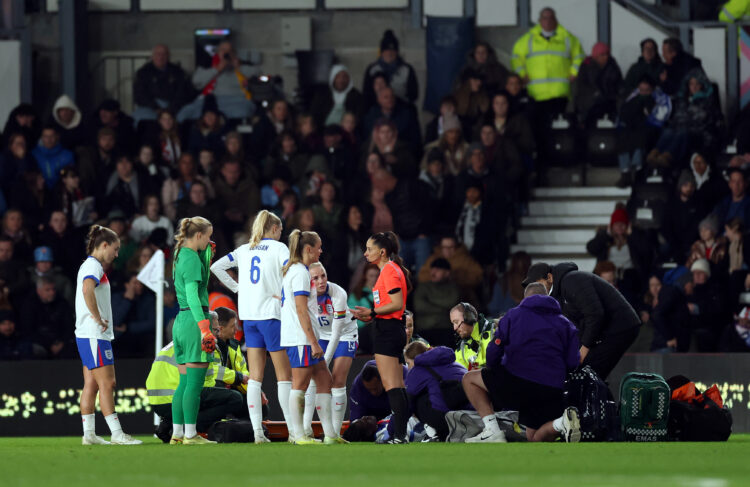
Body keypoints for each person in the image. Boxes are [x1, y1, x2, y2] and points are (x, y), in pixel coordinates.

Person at [210, 210, 294, 444]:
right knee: (284, 376)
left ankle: (257, 432)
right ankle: (294, 432)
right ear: (275, 229)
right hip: (272, 315)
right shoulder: (279, 248)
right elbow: (290, 273)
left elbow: (216, 267)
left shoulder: (244, 249)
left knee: (255, 377)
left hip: (249, 317)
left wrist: (238, 288)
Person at [461, 283, 582, 443]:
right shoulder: (566, 324)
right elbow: (573, 362)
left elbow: (493, 354)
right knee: (534, 438)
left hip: (517, 382)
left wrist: (494, 371)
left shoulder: (512, 316)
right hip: (551, 389)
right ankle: (561, 423)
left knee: (469, 379)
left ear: (525, 298)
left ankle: (492, 431)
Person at [74, 225, 141, 445]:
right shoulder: (94, 266)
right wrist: (97, 317)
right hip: (94, 335)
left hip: (87, 334)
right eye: (115, 248)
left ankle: (89, 435)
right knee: (108, 383)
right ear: (104, 245)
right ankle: (117, 433)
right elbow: (87, 289)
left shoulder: (89, 265)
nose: (117, 254)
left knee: (91, 384)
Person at [280, 229, 345, 445]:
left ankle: (330, 435)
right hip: (301, 338)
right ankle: (298, 434)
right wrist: (313, 341)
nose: (321, 250)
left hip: (304, 336)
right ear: (308, 249)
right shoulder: (299, 272)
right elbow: (300, 310)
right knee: (299, 383)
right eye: (318, 246)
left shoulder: (297, 270)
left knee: (325, 380)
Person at [522, 261, 641, 379]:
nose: (536, 290)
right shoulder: (557, 295)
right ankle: (600, 396)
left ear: (549, 277)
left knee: (589, 373)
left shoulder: (571, 280)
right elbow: (577, 325)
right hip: (609, 330)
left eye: (538, 284)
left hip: (620, 326)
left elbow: (595, 314)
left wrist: (584, 349)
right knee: (589, 373)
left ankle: (599, 397)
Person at [146, 310, 247, 443]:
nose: (217, 334)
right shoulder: (202, 341)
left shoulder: (180, 340)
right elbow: (209, 375)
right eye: (215, 330)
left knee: (211, 393)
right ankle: (186, 428)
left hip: (157, 402)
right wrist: (238, 378)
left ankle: (173, 425)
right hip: (175, 398)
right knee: (233, 399)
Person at [350, 232, 412, 443]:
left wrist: (374, 313)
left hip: (388, 331)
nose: (366, 253)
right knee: (396, 385)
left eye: (370, 249)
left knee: (392, 385)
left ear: (382, 252)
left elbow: (396, 304)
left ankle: (400, 435)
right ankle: (399, 434)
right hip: (388, 328)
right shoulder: (389, 270)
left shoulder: (390, 272)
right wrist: (370, 315)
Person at [170, 216, 217, 445]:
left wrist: (205, 257)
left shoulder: (181, 254)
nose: (209, 241)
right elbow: (192, 294)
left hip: (181, 320)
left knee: (184, 382)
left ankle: (177, 434)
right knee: (195, 385)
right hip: (193, 321)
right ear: (199, 235)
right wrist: (204, 328)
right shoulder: (191, 259)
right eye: (208, 236)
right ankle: (191, 434)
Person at [302, 262, 358, 438]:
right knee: (312, 379)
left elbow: (336, 334)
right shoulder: (303, 295)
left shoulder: (338, 293)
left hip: (345, 335)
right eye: (315, 278)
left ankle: (334, 433)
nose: (321, 281)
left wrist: (323, 363)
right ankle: (306, 428)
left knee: (337, 380)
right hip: (321, 336)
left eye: (323, 275)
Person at [511, 7, 584, 113]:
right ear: (539, 20)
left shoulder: (568, 38)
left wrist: (574, 72)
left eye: (551, 18)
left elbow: (579, 56)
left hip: (559, 93)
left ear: (556, 20)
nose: (548, 21)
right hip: (536, 94)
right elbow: (515, 57)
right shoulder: (528, 39)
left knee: (558, 127)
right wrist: (522, 74)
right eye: (545, 18)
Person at [404, 342, 471, 441]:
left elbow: (405, 405)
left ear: (416, 359)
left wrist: (392, 431)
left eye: (408, 363)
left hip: (447, 418)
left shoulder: (417, 371)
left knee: (416, 400)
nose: (408, 368)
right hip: (473, 410)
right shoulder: (454, 363)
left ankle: (436, 433)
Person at [179, 41, 258, 122]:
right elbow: (196, 82)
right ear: (218, 53)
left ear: (234, 53)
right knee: (184, 113)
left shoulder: (242, 66)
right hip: (210, 101)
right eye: (223, 50)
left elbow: (257, 76)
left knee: (242, 112)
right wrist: (217, 69)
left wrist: (238, 67)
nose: (226, 53)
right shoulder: (209, 65)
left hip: (236, 101)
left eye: (230, 51)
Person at [132, 44, 193, 123]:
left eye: (164, 54)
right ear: (152, 56)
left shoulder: (177, 71)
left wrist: (171, 109)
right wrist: (156, 108)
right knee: (136, 118)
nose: (161, 57)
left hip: (174, 106)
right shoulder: (143, 72)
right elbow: (140, 95)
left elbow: (183, 92)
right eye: (158, 54)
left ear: (168, 56)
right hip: (151, 107)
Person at [362, 30, 419, 105]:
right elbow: (366, 93)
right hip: (376, 109)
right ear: (382, 52)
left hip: (401, 109)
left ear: (397, 52)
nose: (389, 53)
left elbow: (413, 94)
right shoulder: (372, 69)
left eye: (393, 50)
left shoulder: (407, 69)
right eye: (386, 50)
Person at [413, 258, 461, 347]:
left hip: (445, 329)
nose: (433, 273)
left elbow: (452, 304)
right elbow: (419, 306)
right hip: (424, 329)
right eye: (432, 269)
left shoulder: (453, 287)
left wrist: (430, 300)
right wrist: (444, 309)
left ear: (447, 273)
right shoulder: (423, 287)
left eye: (438, 270)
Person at [574, 42, 622, 127]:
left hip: (609, 103)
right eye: (602, 54)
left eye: (607, 54)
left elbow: (619, 84)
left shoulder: (613, 66)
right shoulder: (586, 66)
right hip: (591, 105)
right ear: (596, 56)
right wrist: (596, 94)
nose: (605, 57)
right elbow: (582, 88)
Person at [311, 64, 364, 128]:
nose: (341, 80)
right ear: (332, 78)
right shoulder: (322, 94)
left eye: (344, 77)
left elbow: (359, 117)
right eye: (338, 76)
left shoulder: (356, 96)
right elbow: (315, 115)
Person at [449, 302, 495, 370]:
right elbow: (456, 372)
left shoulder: (495, 331)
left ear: (469, 318)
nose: (454, 328)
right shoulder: (462, 348)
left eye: (456, 322)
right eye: (453, 324)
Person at [32, 124, 74, 189]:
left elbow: (71, 175)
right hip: (41, 192)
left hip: (62, 191)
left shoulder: (67, 155)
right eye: (46, 136)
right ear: (41, 137)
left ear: (57, 137)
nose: (49, 140)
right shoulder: (33, 155)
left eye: (52, 136)